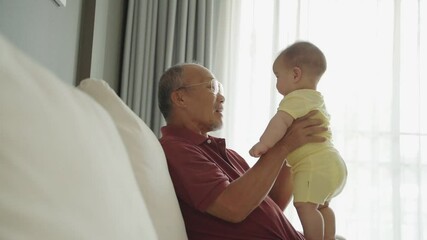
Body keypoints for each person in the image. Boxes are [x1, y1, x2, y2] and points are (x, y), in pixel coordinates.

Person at [157, 62, 328, 240]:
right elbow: (233, 207)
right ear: (180, 98)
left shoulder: (228, 154)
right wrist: (284, 145)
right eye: (212, 87)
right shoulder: (175, 149)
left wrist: (295, 151)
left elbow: (268, 204)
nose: (222, 97)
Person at [249, 41, 347, 240]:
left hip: (314, 166)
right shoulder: (315, 99)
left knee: (305, 206)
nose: (276, 83)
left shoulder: (294, 99)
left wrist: (264, 143)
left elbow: (280, 122)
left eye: (278, 76)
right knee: (323, 206)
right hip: (334, 165)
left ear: (295, 74)